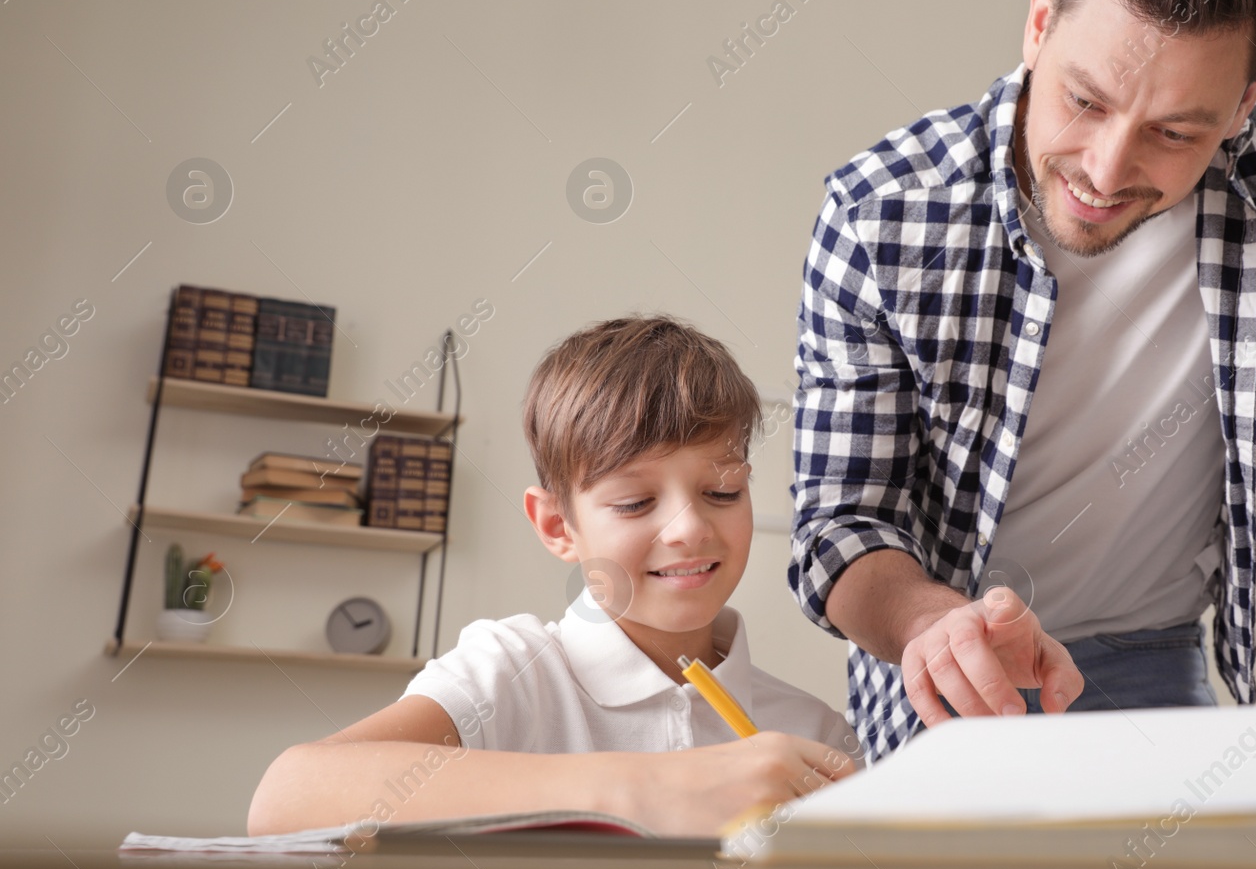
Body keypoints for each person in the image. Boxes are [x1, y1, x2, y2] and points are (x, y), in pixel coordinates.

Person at [788, 0, 1256, 763]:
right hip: (955, 685)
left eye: (1176, 133)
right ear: (1041, 20)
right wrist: (941, 626)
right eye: (1083, 100)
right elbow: (841, 526)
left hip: (1157, 661)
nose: (1104, 166)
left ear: (1247, 98)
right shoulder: (880, 212)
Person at [251, 315, 856, 837]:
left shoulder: (810, 731)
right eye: (634, 503)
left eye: (722, 491)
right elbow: (287, 798)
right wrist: (649, 787)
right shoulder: (510, 675)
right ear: (557, 526)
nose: (689, 529)